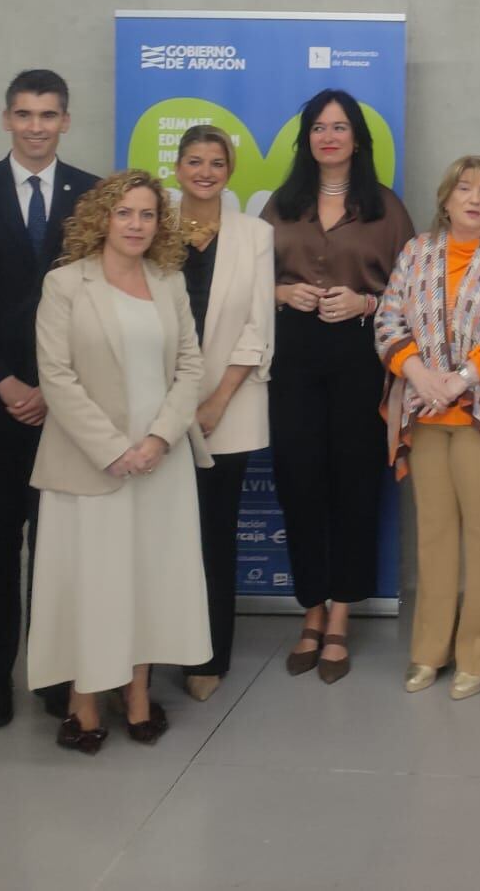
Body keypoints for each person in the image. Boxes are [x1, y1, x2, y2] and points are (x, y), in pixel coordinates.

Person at [0, 68, 100, 729]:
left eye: (48, 114)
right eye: (25, 114)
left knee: (58, 547)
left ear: (66, 121)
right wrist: (3, 382)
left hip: (68, 406)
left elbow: (99, 301)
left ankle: (51, 674)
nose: (36, 127)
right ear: (7, 118)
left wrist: (58, 390)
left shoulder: (94, 194)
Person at [28, 169, 210, 754]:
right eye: (124, 212)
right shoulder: (65, 283)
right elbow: (56, 376)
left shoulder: (169, 282)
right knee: (93, 585)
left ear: (160, 224)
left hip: (160, 463)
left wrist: (158, 439)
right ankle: (83, 699)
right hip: (89, 464)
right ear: (102, 218)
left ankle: (137, 695)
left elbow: (190, 367)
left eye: (147, 214)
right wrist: (113, 450)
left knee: (147, 581)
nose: (136, 224)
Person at [376, 155, 480, 699]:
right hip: (425, 412)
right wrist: (421, 375)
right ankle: (429, 651)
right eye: (465, 189)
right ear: (445, 199)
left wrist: (460, 379)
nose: (475, 199)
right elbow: (388, 319)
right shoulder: (416, 251)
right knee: (434, 535)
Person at [261, 89, 416, 682]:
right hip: (293, 355)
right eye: (319, 128)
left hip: (360, 356)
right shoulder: (281, 204)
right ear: (307, 139)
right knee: (299, 481)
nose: (329, 137)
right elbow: (244, 279)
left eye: (340, 127)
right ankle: (311, 610)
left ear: (358, 139)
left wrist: (366, 303)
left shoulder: (385, 208)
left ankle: (342, 616)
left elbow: (413, 293)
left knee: (354, 484)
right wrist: (280, 292)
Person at [171, 124, 275, 703]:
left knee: (213, 533)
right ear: (177, 169)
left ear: (229, 171)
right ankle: (157, 647)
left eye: (215, 162)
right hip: (155, 408)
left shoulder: (254, 235)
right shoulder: (151, 226)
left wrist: (215, 401)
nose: (205, 172)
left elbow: (258, 326)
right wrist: (171, 403)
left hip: (226, 409)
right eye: (194, 161)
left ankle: (208, 657)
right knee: (161, 536)